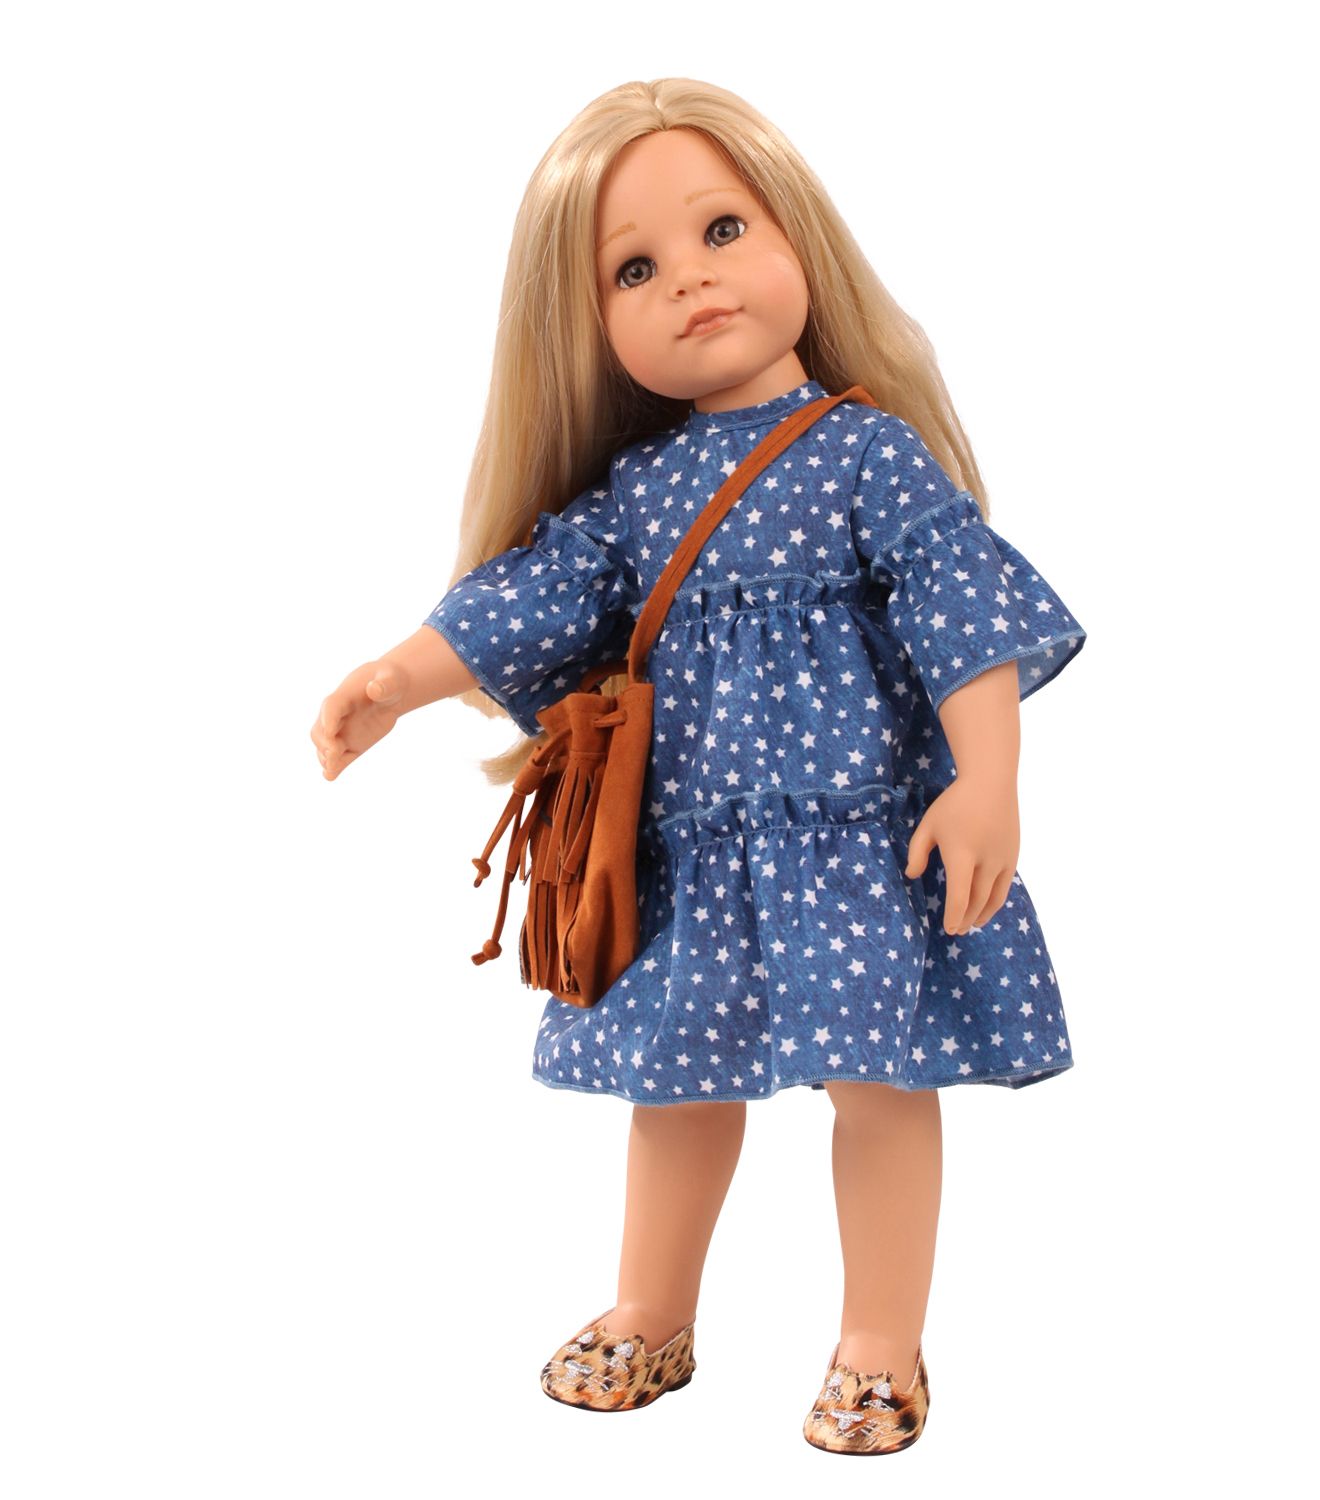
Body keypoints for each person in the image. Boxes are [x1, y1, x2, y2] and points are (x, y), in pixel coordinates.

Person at [310, 78, 1087, 1455]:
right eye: (635, 269)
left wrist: (989, 778)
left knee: (880, 1083)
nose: (690, 280)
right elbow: (532, 592)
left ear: (797, 235)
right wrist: (402, 675)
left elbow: (958, 606)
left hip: (855, 842)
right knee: (672, 1090)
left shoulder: (867, 453)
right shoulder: (640, 494)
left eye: (723, 230)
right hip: (696, 851)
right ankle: (653, 1309)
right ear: (591, 326)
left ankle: (880, 1343)